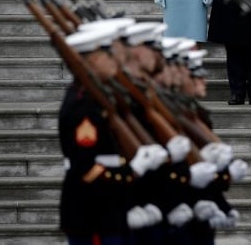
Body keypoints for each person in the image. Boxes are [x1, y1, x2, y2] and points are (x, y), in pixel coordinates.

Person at [59, 26, 169, 245]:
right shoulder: (83, 105)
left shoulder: (100, 97)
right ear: (91, 60)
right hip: (93, 213)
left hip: (111, 208)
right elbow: (86, 167)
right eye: (106, 55)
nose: (114, 60)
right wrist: (131, 171)